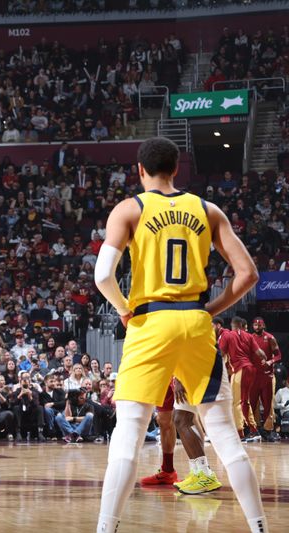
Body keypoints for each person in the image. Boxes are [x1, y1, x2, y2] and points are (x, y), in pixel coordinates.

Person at [94, 137, 266, 533]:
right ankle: (259, 527)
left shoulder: (129, 208)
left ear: (140, 170)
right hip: (195, 321)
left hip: (150, 321)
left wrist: (123, 308)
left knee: (130, 431)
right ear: (176, 169)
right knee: (223, 433)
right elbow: (249, 274)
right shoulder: (207, 210)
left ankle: (106, 528)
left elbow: (103, 276)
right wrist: (211, 309)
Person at [219, 316, 265, 440]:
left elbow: (221, 354)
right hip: (249, 369)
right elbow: (260, 353)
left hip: (239, 370)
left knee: (236, 402)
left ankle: (240, 433)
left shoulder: (227, 335)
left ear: (232, 325)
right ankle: (254, 429)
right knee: (245, 401)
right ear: (241, 325)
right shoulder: (249, 336)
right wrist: (264, 360)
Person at [250, 317, 281, 441]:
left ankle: (268, 430)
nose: (257, 327)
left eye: (259, 325)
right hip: (253, 376)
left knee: (268, 404)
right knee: (252, 403)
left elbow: (279, 355)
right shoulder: (250, 338)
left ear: (263, 326)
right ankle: (254, 429)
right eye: (255, 325)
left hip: (267, 376)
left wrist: (270, 361)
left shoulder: (270, 338)